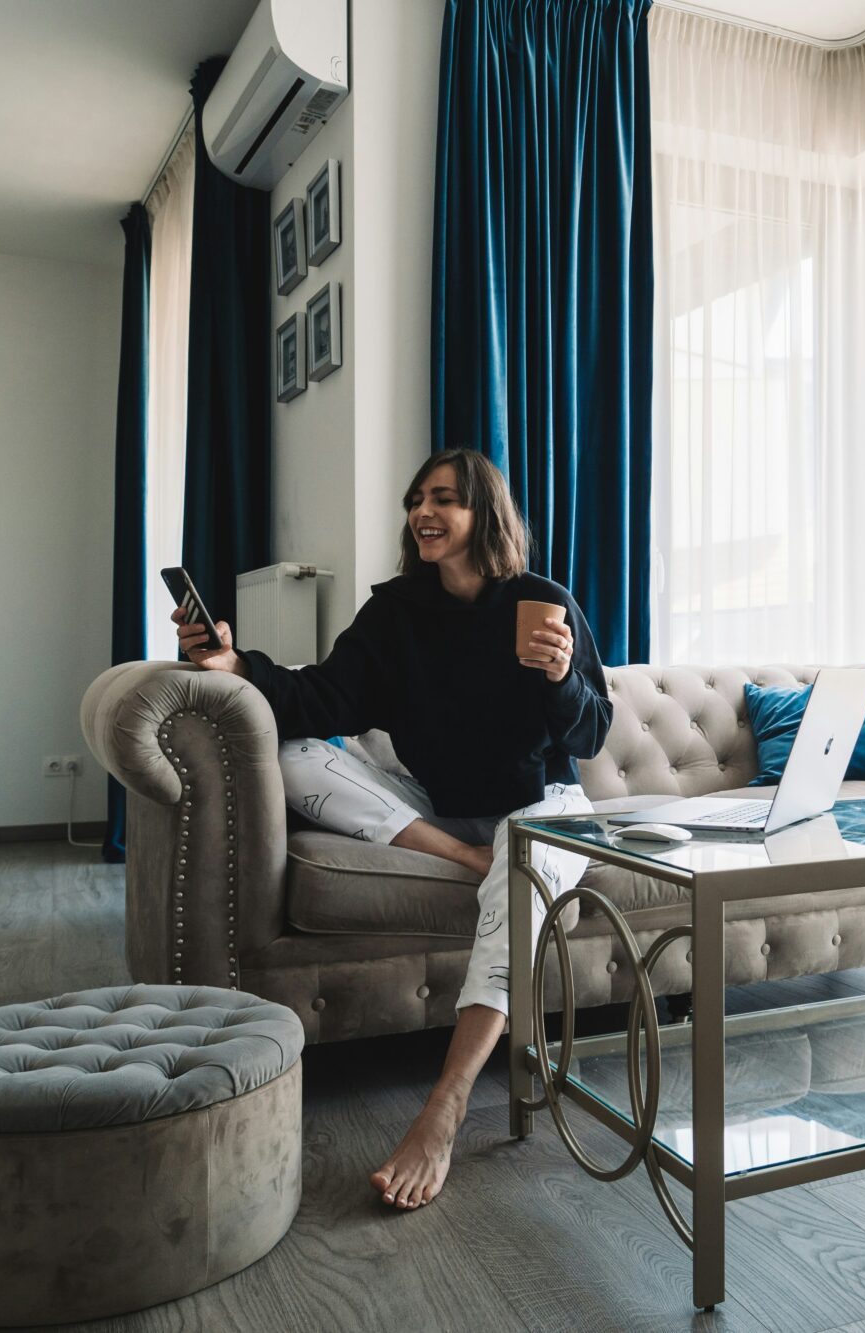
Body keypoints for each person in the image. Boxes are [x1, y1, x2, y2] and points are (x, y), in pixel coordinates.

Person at [173, 448, 611, 1211]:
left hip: (543, 803)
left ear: (485, 512)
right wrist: (236, 661)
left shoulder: (543, 600)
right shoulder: (395, 610)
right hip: (440, 806)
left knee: (526, 853)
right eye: (416, 499)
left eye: (445, 498)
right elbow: (320, 700)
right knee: (297, 754)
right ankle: (469, 857)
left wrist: (561, 678)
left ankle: (443, 1107)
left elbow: (592, 735)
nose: (423, 512)